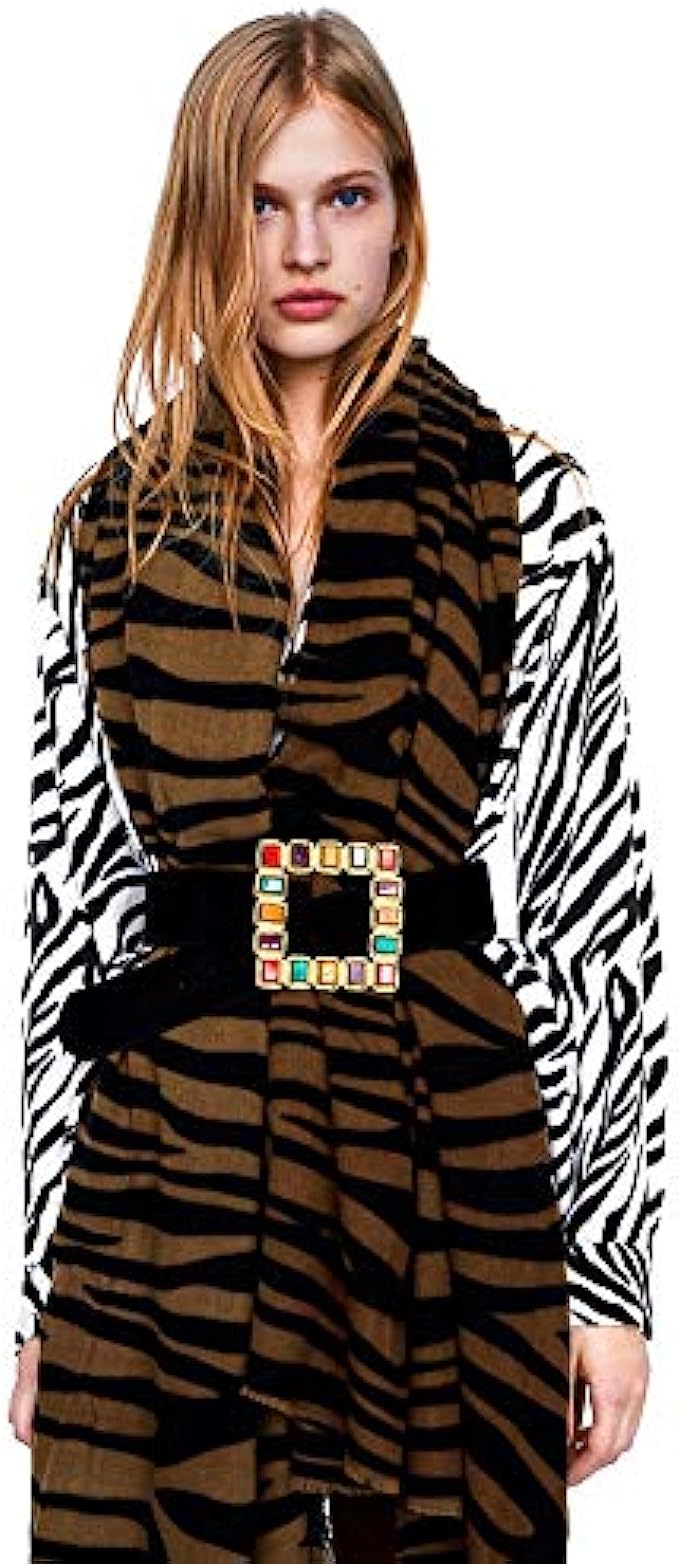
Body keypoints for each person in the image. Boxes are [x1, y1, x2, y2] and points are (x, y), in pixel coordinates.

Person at [8, 9, 668, 1562]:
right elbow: (71, 914)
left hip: (443, 1149)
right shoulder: (111, 524)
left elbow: (593, 903)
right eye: (261, 202)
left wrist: (611, 1280)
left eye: (345, 196)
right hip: (170, 1162)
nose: (305, 247)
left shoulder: (535, 508)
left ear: (400, 215)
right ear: (204, 222)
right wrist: (38, 1286)